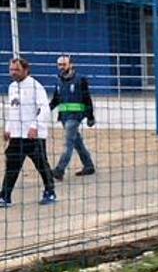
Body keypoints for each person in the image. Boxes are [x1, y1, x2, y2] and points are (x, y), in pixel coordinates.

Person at [1, 58, 57, 207]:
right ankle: (5, 197)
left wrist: (35, 126)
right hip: (17, 135)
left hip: (33, 136)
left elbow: (44, 109)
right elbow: (12, 109)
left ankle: (50, 192)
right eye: (11, 69)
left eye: (16, 70)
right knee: (12, 165)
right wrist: (8, 128)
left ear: (26, 70)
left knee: (41, 165)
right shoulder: (12, 87)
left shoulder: (35, 86)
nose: (13, 73)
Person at [49, 55, 96, 181]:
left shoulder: (81, 79)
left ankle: (59, 170)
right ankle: (89, 166)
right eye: (59, 65)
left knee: (68, 143)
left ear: (71, 64)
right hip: (64, 117)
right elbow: (55, 99)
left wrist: (90, 116)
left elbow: (87, 98)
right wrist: (45, 110)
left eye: (64, 64)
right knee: (77, 142)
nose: (61, 67)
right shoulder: (58, 81)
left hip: (75, 117)